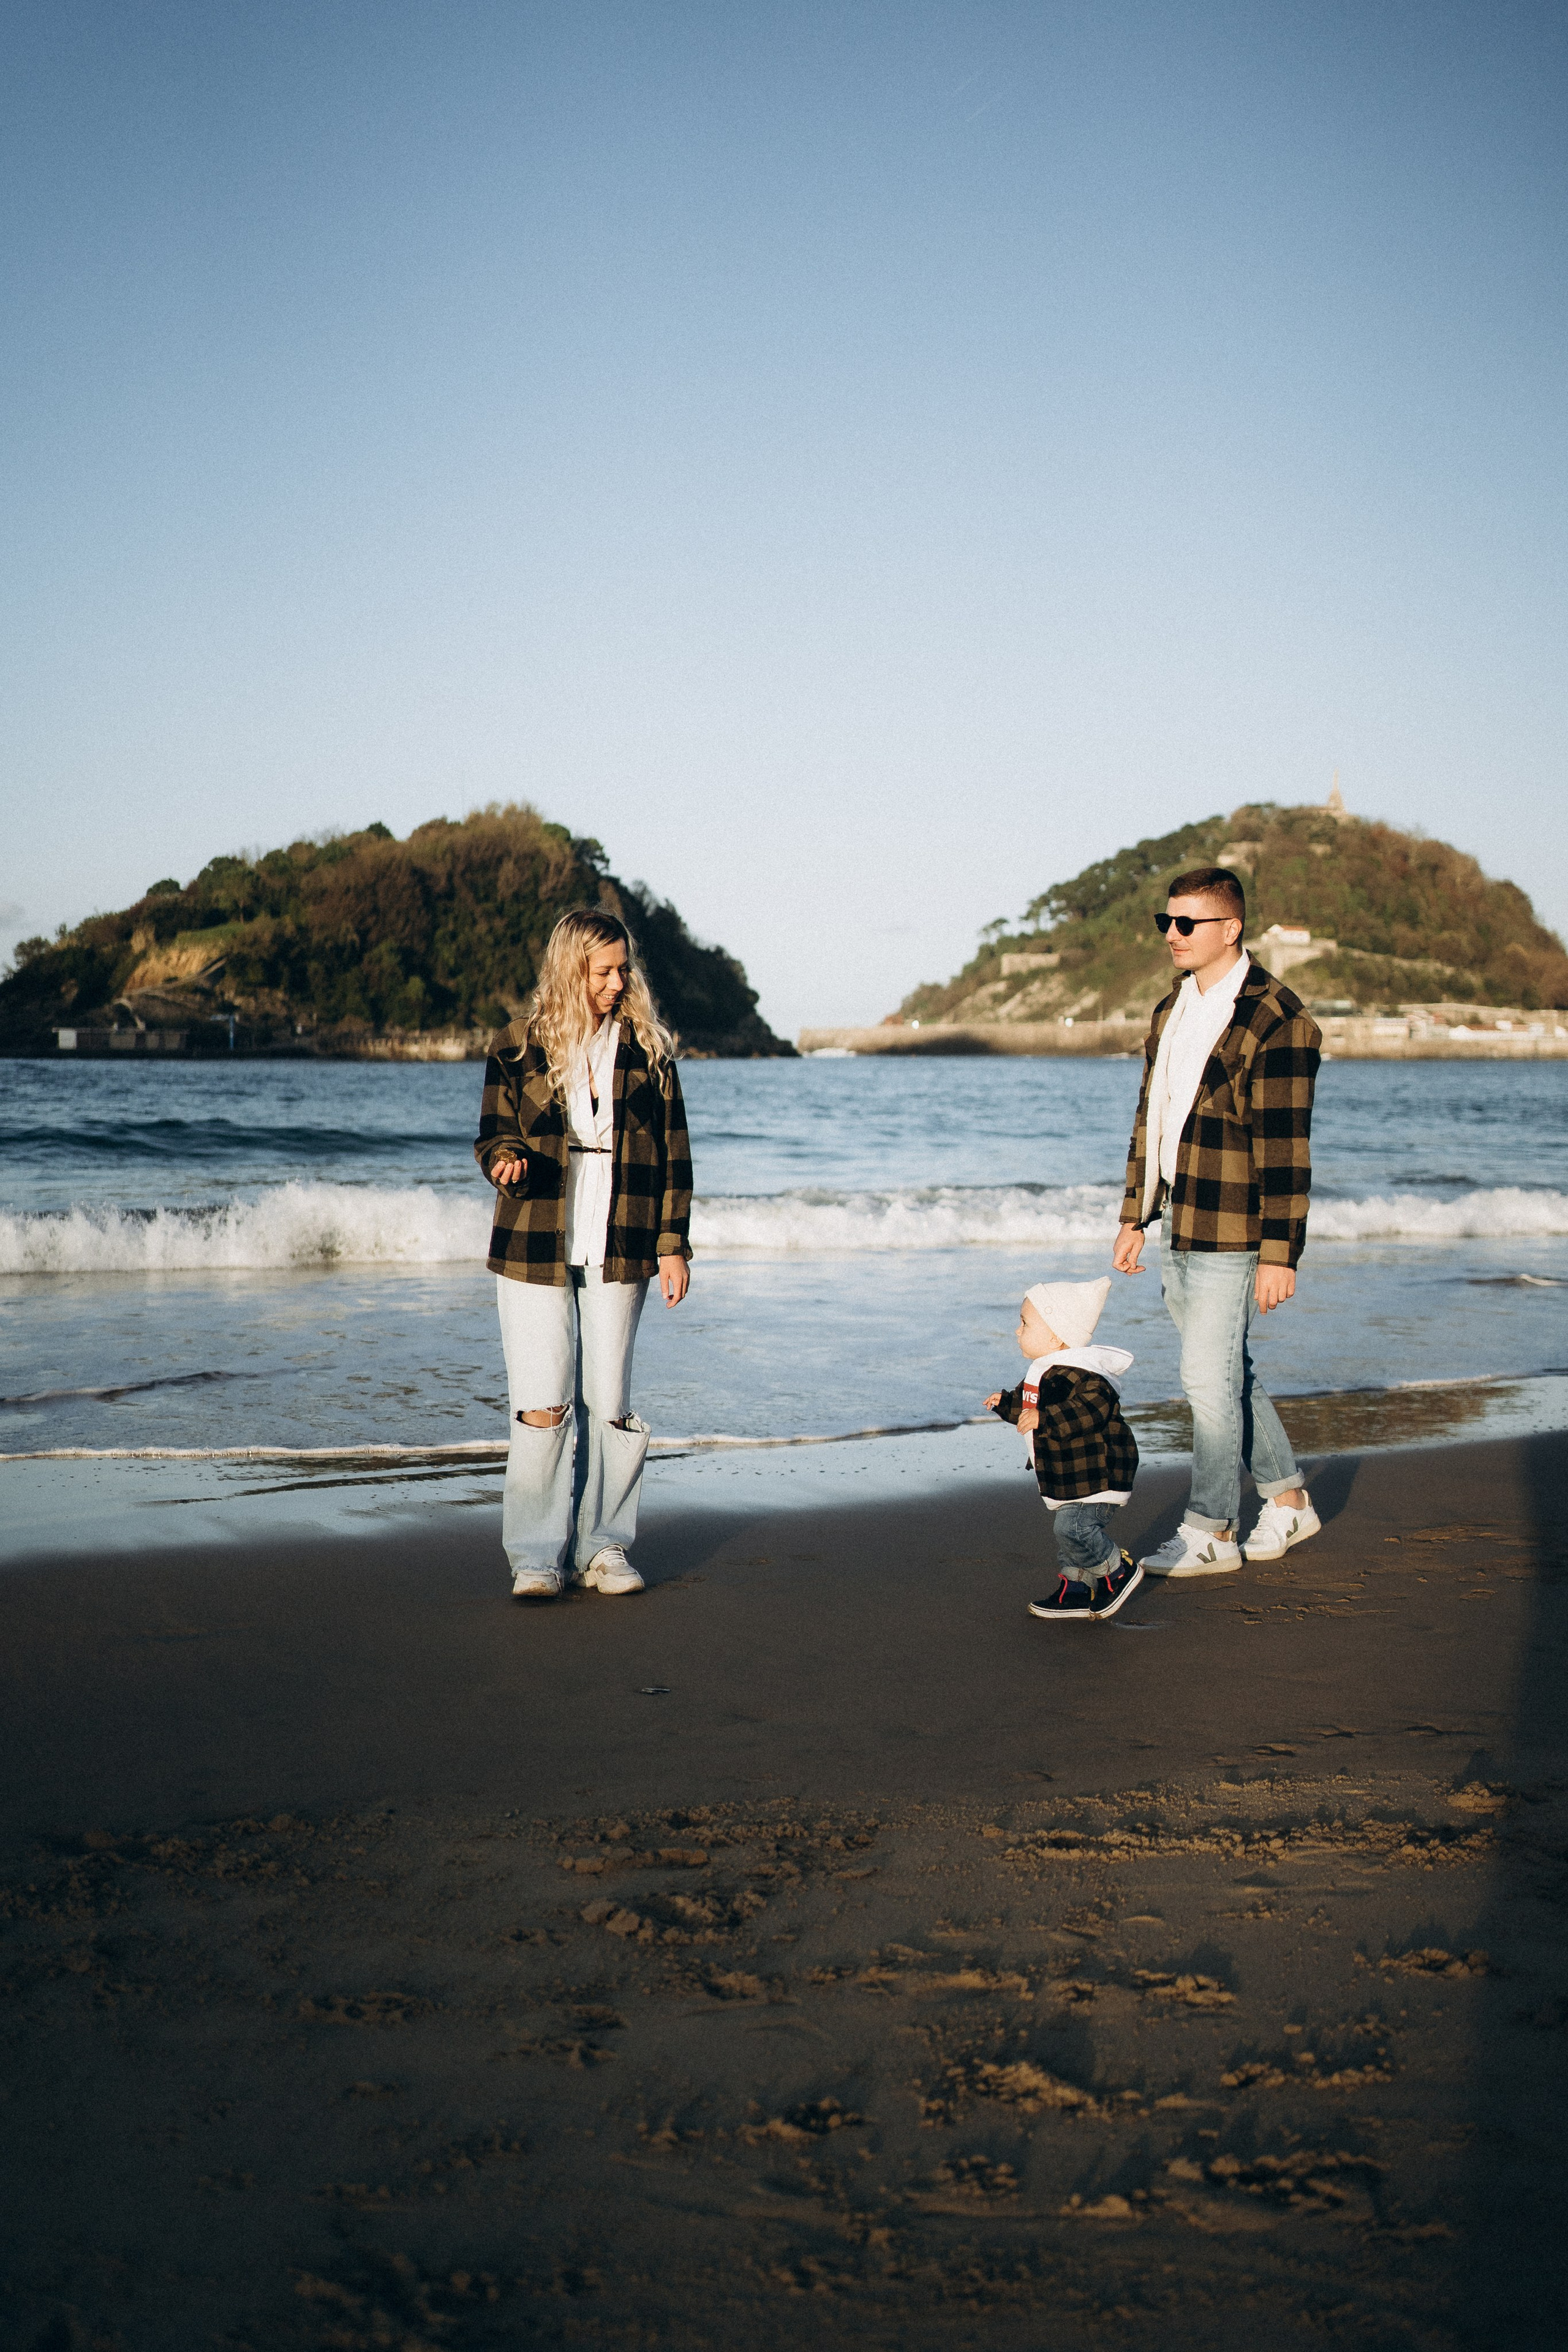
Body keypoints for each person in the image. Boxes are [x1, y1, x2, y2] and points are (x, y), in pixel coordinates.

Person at [473, 908, 692, 1601]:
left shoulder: (648, 1049)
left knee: (612, 1405)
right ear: (572, 969)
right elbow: (492, 1137)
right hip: (534, 1237)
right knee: (542, 1405)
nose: (617, 981)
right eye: (603, 970)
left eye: (623, 968)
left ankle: (605, 1548)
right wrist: (504, 1160)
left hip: (621, 1236)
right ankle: (536, 1556)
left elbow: (674, 1157)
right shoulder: (516, 1045)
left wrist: (673, 1244)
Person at [1112, 865, 1321, 1578]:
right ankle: (1288, 1497)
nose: (1171, 935)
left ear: (1230, 929)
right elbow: (1154, 1116)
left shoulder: (1276, 1019)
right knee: (1224, 1373)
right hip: (1181, 1221)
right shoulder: (1172, 1006)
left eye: (1186, 923)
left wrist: (1279, 1254)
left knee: (1205, 1378)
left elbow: (1287, 1150)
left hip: (1238, 1227)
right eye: (1165, 922)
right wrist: (1136, 1214)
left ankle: (1210, 1529)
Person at [986, 1275, 1145, 1624]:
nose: (1017, 1330)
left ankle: (1116, 1571)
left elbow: (1090, 1408)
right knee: (1068, 1535)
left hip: (1099, 1471)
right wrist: (1007, 1405)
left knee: (1072, 1529)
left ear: (1057, 1335)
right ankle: (1075, 1590)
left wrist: (1045, 1416)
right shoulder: (1043, 1373)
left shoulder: (1087, 1375)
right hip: (1070, 1473)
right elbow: (1028, 1410)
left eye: (1025, 1323)